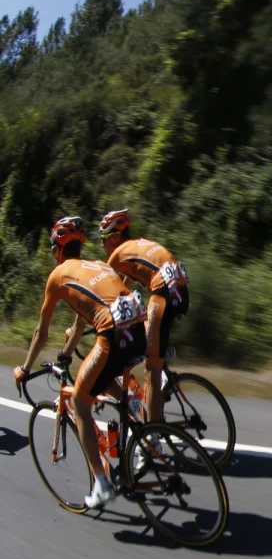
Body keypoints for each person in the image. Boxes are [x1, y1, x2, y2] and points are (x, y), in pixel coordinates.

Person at [12, 217, 147, 508]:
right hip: (139, 328)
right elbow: (81, 320)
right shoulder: (97, 265)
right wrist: (67, 350)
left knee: (80, 402)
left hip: (112, 334)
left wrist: (25, 368)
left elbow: (41, 333)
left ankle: (101, 484)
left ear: (57, 250)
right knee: (106, 382)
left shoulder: (58, 275)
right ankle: (145, 433)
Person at [97, 209, 189, 428]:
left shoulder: (117, 255)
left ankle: (152, 435)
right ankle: (163, 361)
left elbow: (103, 293)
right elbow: (124, 286)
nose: (102, 244)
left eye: (103, 239)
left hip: (163, 296)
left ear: (115, 237)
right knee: (147, 328)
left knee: (150, 369)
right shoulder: (140, 244)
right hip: (182, 293)